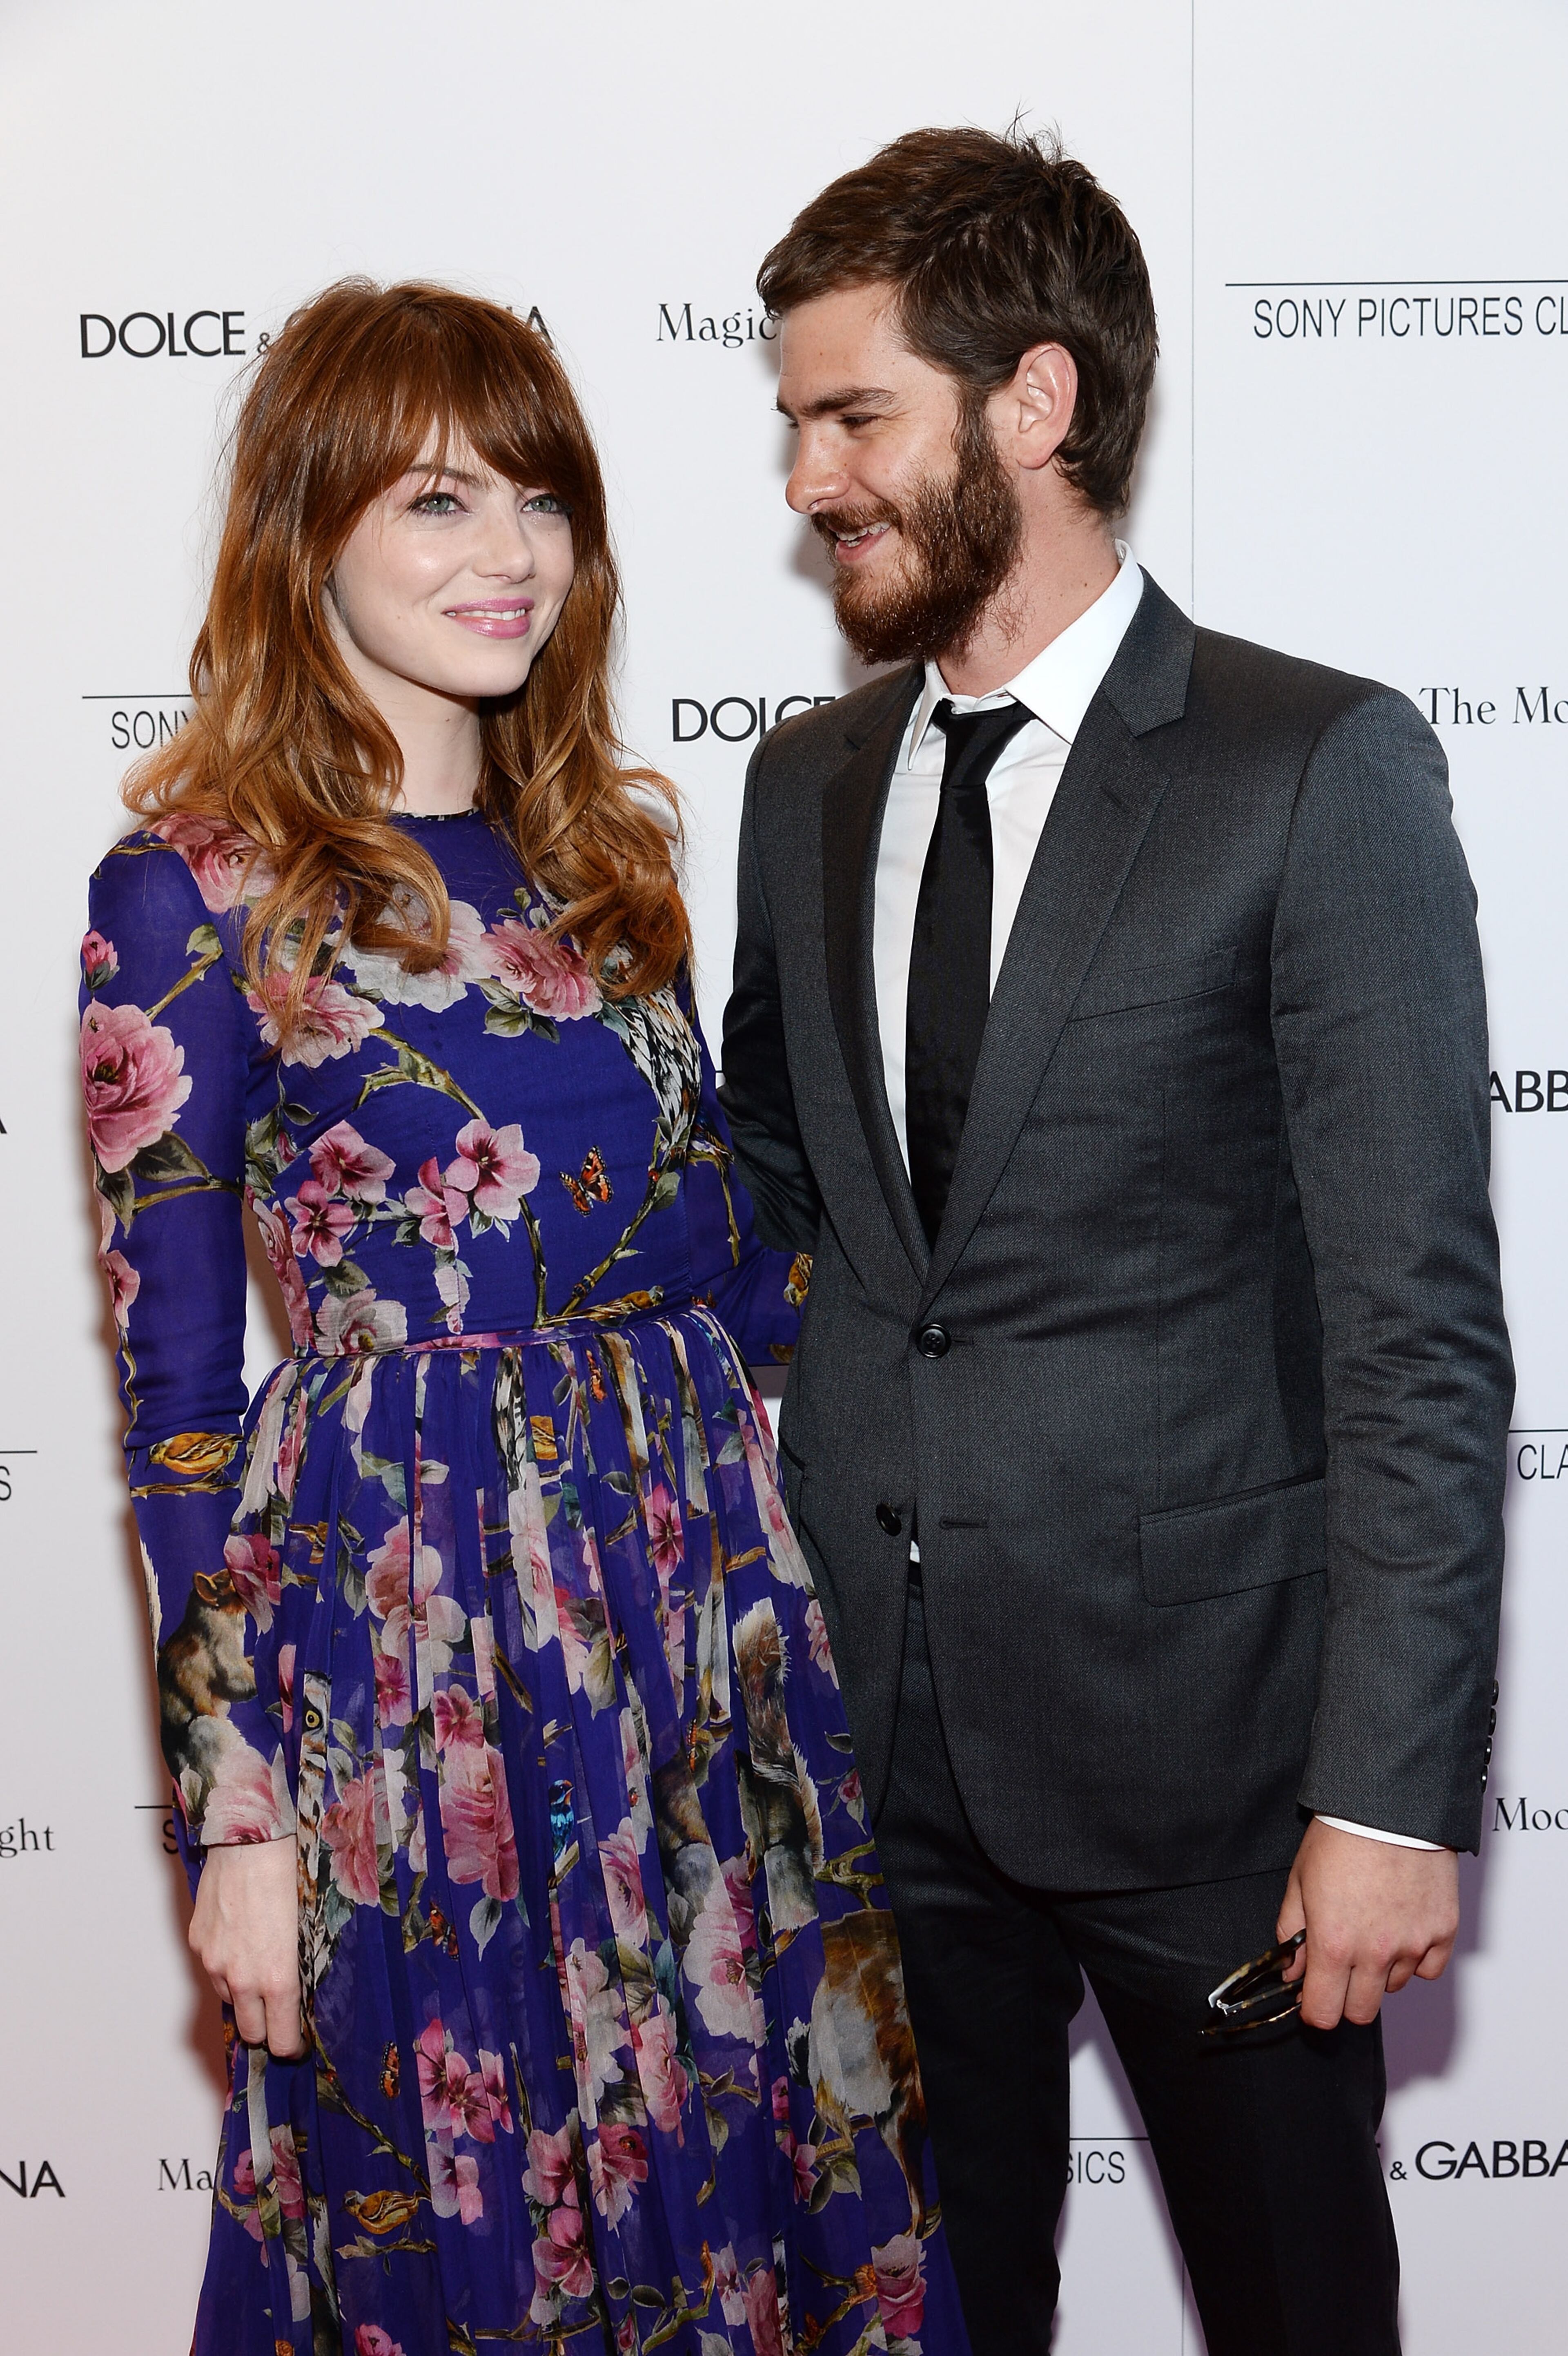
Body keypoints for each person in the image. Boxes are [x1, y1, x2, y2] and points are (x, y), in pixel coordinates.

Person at [80, 279, 971, 2356]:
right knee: (469, 2224)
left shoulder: (607, 870)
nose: (512, 556)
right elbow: (187, 1404)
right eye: (440, 502)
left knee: (760, 2185)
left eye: (544, 500)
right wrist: (235, 1820)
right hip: (419, 1679)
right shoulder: (191, 896)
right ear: (309, 534)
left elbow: (742, 1283)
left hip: (700, 1642)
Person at [719, 127, 1513, 2355]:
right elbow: (782, 1189)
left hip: (1219, 1774)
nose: (809, 473)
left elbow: (1418, 1327)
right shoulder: (806, 782)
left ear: (1035, 402)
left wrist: (1386, 1790)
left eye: (855, 412)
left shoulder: (1307, 765)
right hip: (874, 1751)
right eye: (793, 420)